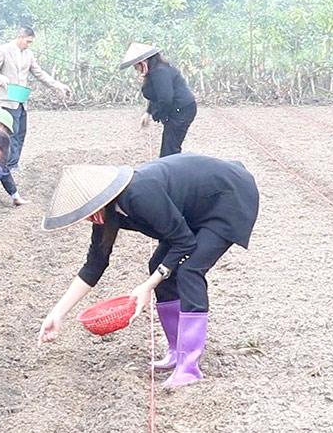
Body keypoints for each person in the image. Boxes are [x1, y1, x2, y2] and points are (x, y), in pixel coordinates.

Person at [37, 155, 259, 389]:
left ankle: (189, 366)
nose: (88, 218)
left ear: (102, 196)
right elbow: (95, 264)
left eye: (89, 210)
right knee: (159, 267)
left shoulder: (139, 194)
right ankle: (176, 350)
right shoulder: (106, 214)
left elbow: (184, 243)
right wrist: (57, 313)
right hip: (193, 211)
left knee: (189, 270)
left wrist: (147, 286)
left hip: (228, 198)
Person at [0, 25, 72, 172]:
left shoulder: (28, 54)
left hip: (21, 99)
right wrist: (2, 79)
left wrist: (58, 85)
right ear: (20, 37)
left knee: (21, 132)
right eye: (27, 41)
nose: (28, 45)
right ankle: (8, 165)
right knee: (10, 132)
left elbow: (40, 74)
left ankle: (15, 164)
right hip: (8, 98)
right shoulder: (4, 51)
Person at [120, 43, 197, 157]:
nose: (137, 70)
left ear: (143, 63)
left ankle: (172, 172)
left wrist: (159, 114)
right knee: (170, 147)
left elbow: (165, 99)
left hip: (181, 110)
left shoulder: (160, 72)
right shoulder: (158, 70)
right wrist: (148, 112)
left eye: (136, 67)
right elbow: (158, 94)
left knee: (169, 150)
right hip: (180, 109)